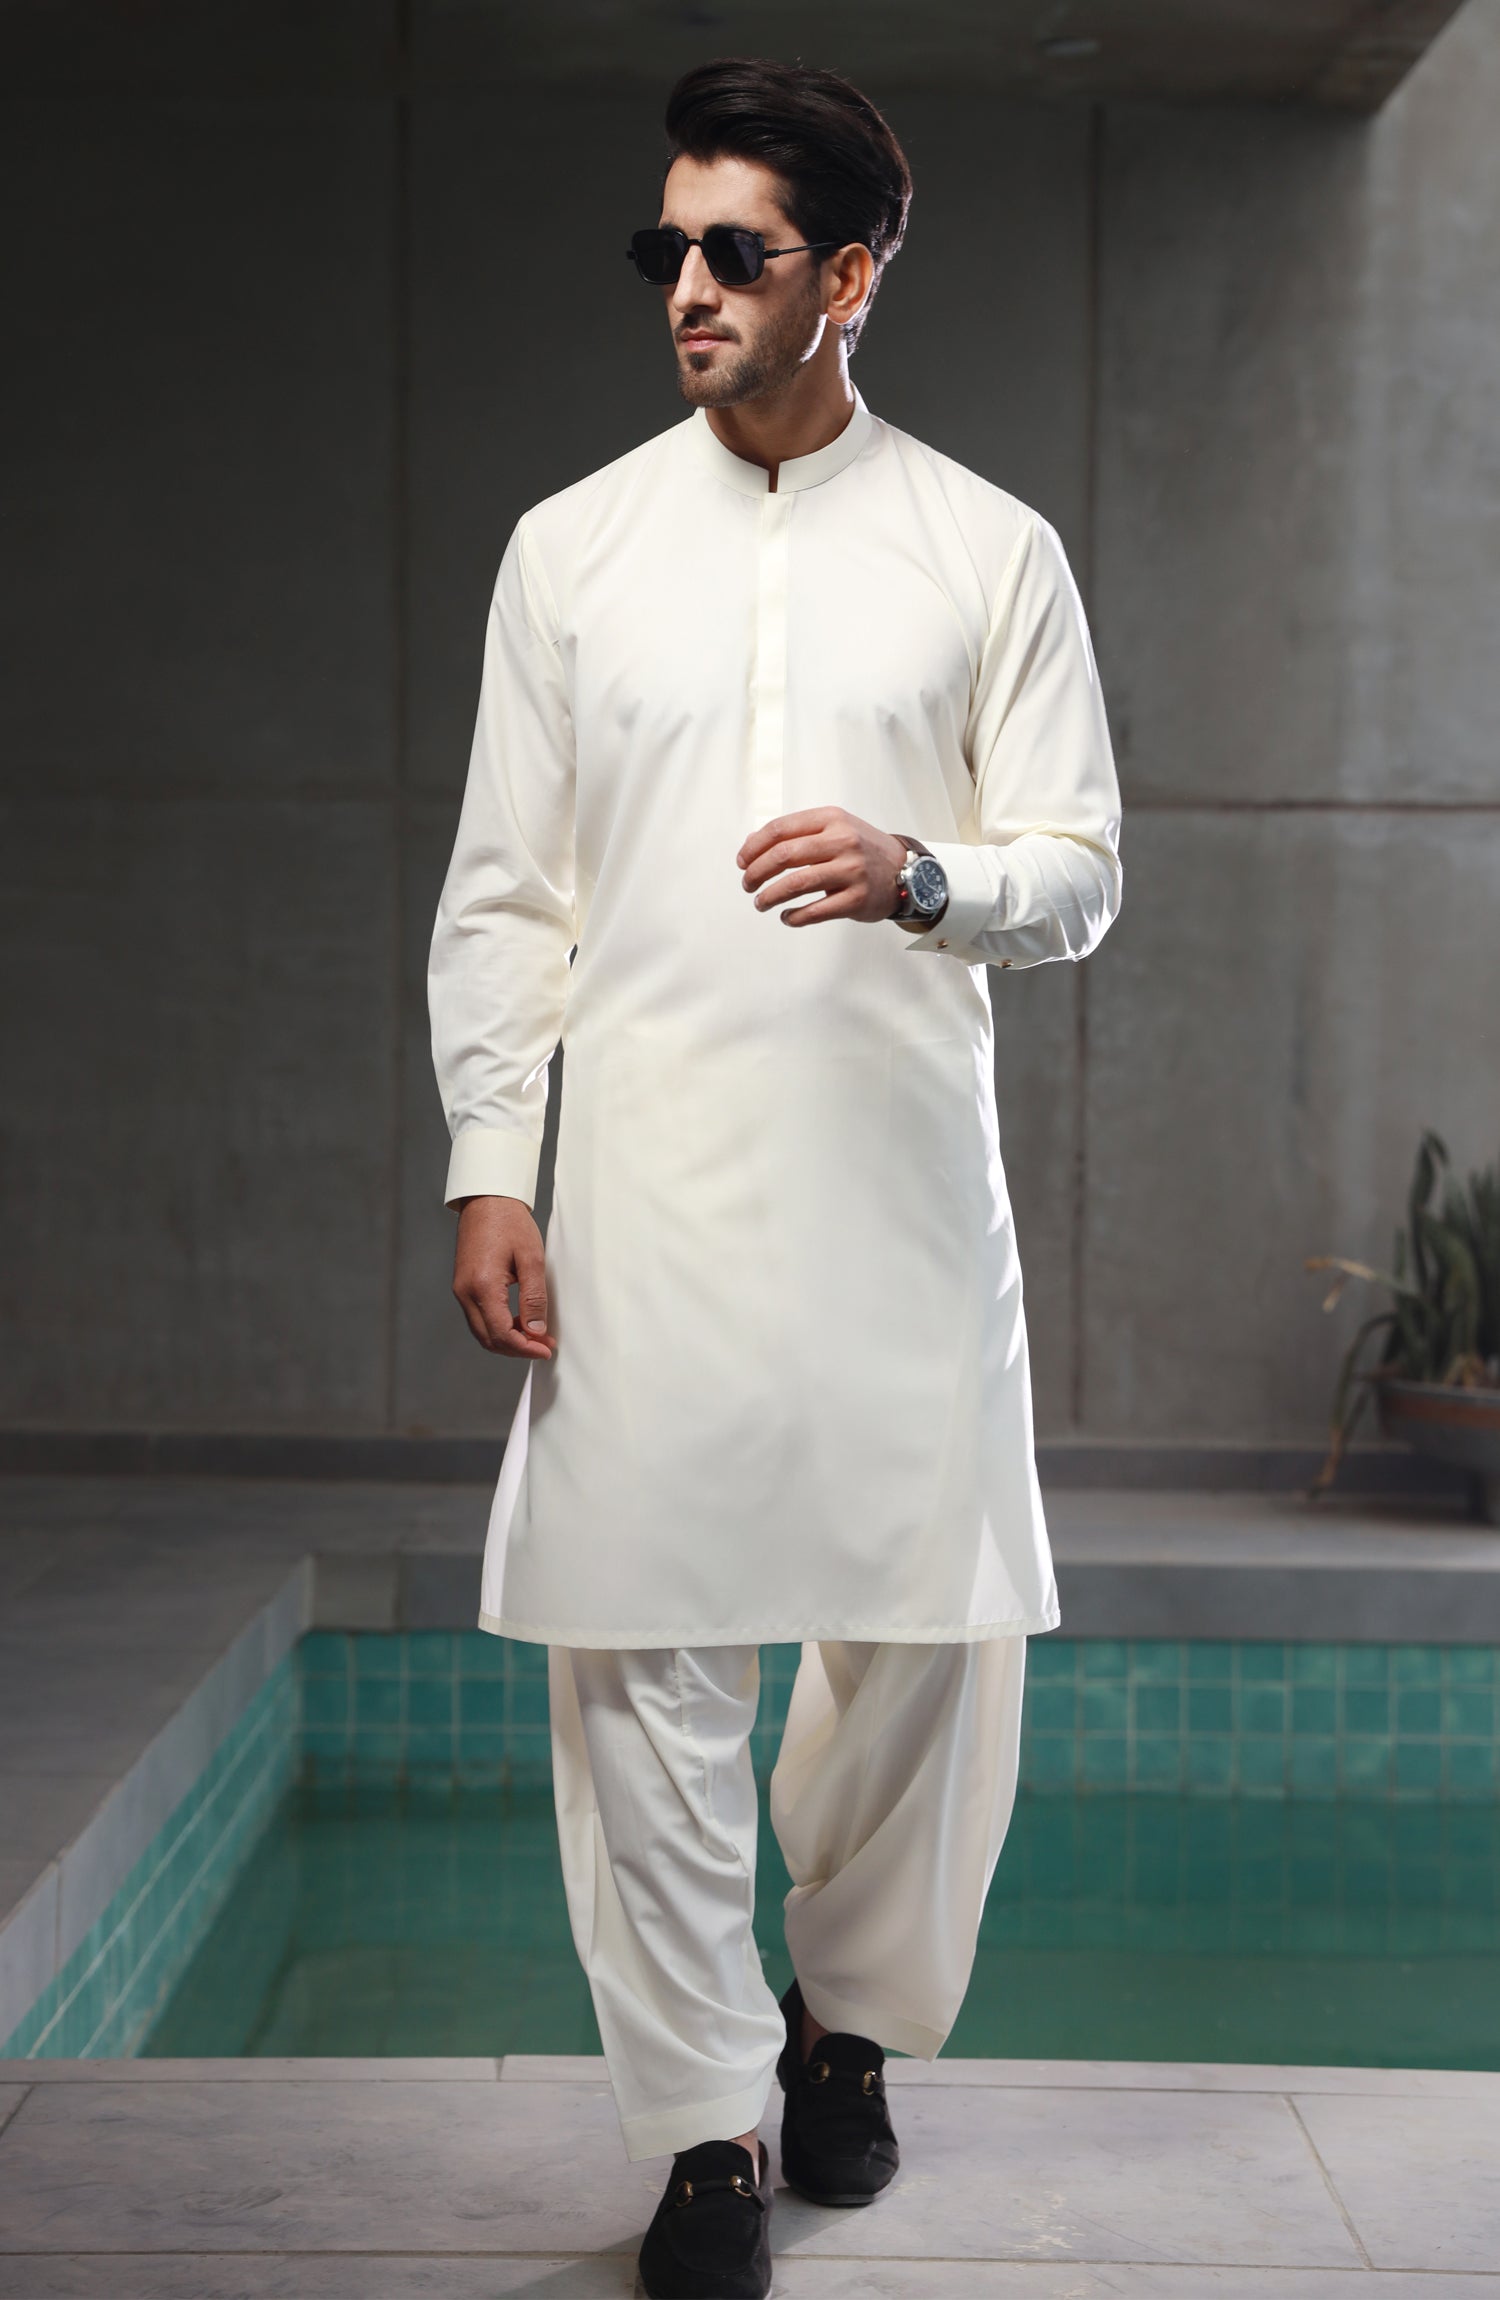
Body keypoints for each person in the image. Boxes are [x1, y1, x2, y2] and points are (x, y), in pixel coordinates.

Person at [428, 54, 1122, 2300]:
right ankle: (708, 2134)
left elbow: (1082, 870)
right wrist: (493, 1160)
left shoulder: (989, 549)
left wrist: (927, 873)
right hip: (642, 1196)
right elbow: (507, 896)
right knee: (636, 1664)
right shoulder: (568, 550)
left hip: (902, 1202)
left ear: (853, 273)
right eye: (668, 247)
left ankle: (846, 2020)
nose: (688, 287)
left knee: (926, 1642)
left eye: (736, 250)